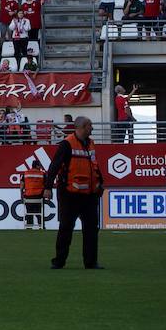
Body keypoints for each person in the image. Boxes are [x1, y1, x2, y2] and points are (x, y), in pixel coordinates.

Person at [42, 116, 106, 270]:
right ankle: (59, 261)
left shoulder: (90, 143)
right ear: (82, 127)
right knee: (66, 228)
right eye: (90, 126)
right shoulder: (66, 144)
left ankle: (90, 262)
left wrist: (100, 184)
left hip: (89, 195)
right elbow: (54, 166)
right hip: (69, 194)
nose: (92, 129)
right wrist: (48, 187)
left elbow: (94, 166)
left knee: (91, 229)